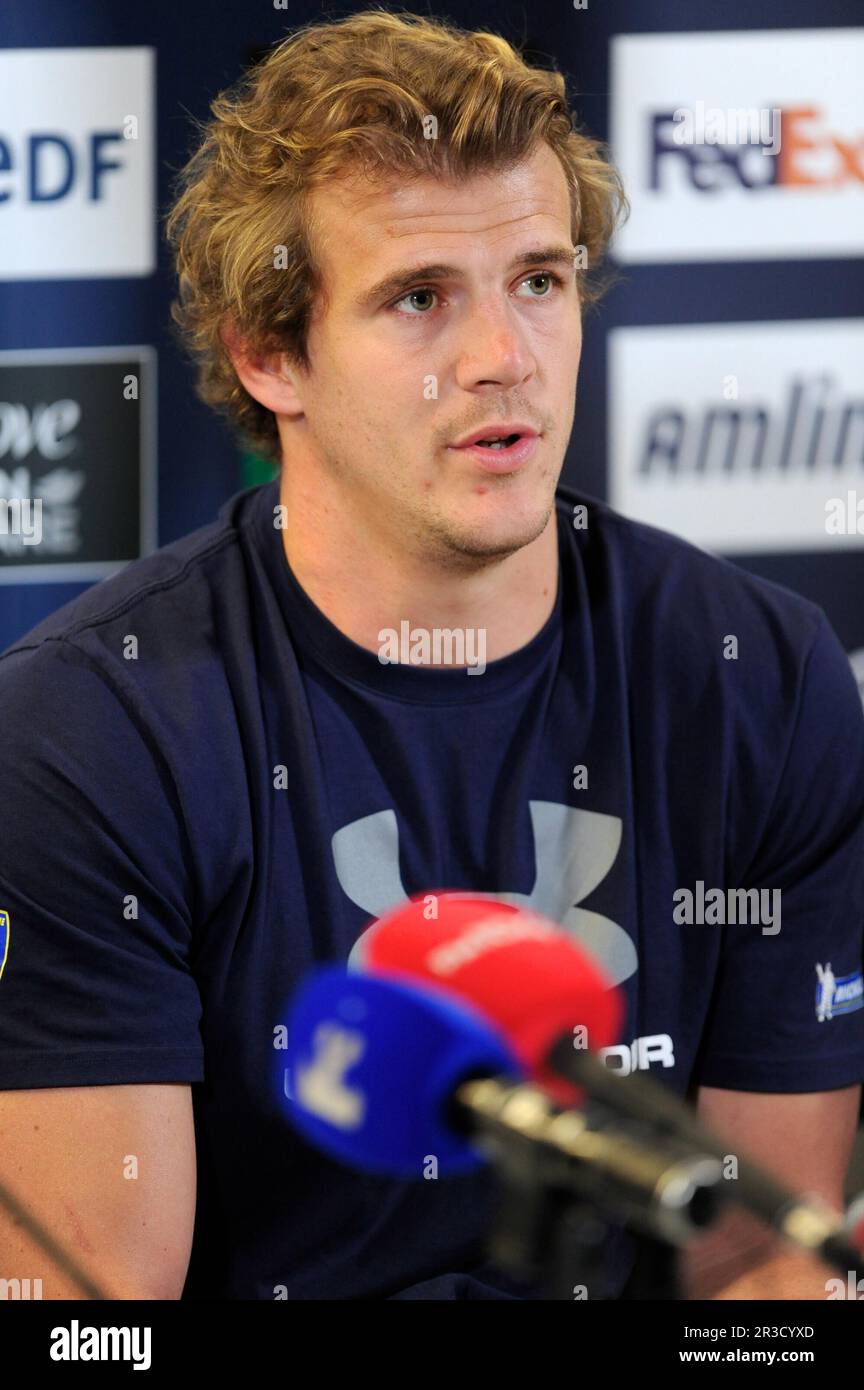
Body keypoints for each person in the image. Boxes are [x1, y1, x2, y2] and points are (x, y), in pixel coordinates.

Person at [0, 10, 862, 1301]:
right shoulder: (87, 731)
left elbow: (752, 1272)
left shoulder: (762, 679)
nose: (503, 360)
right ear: (269, 353)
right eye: (419, 298)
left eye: (539, 280)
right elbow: (96, 1316)